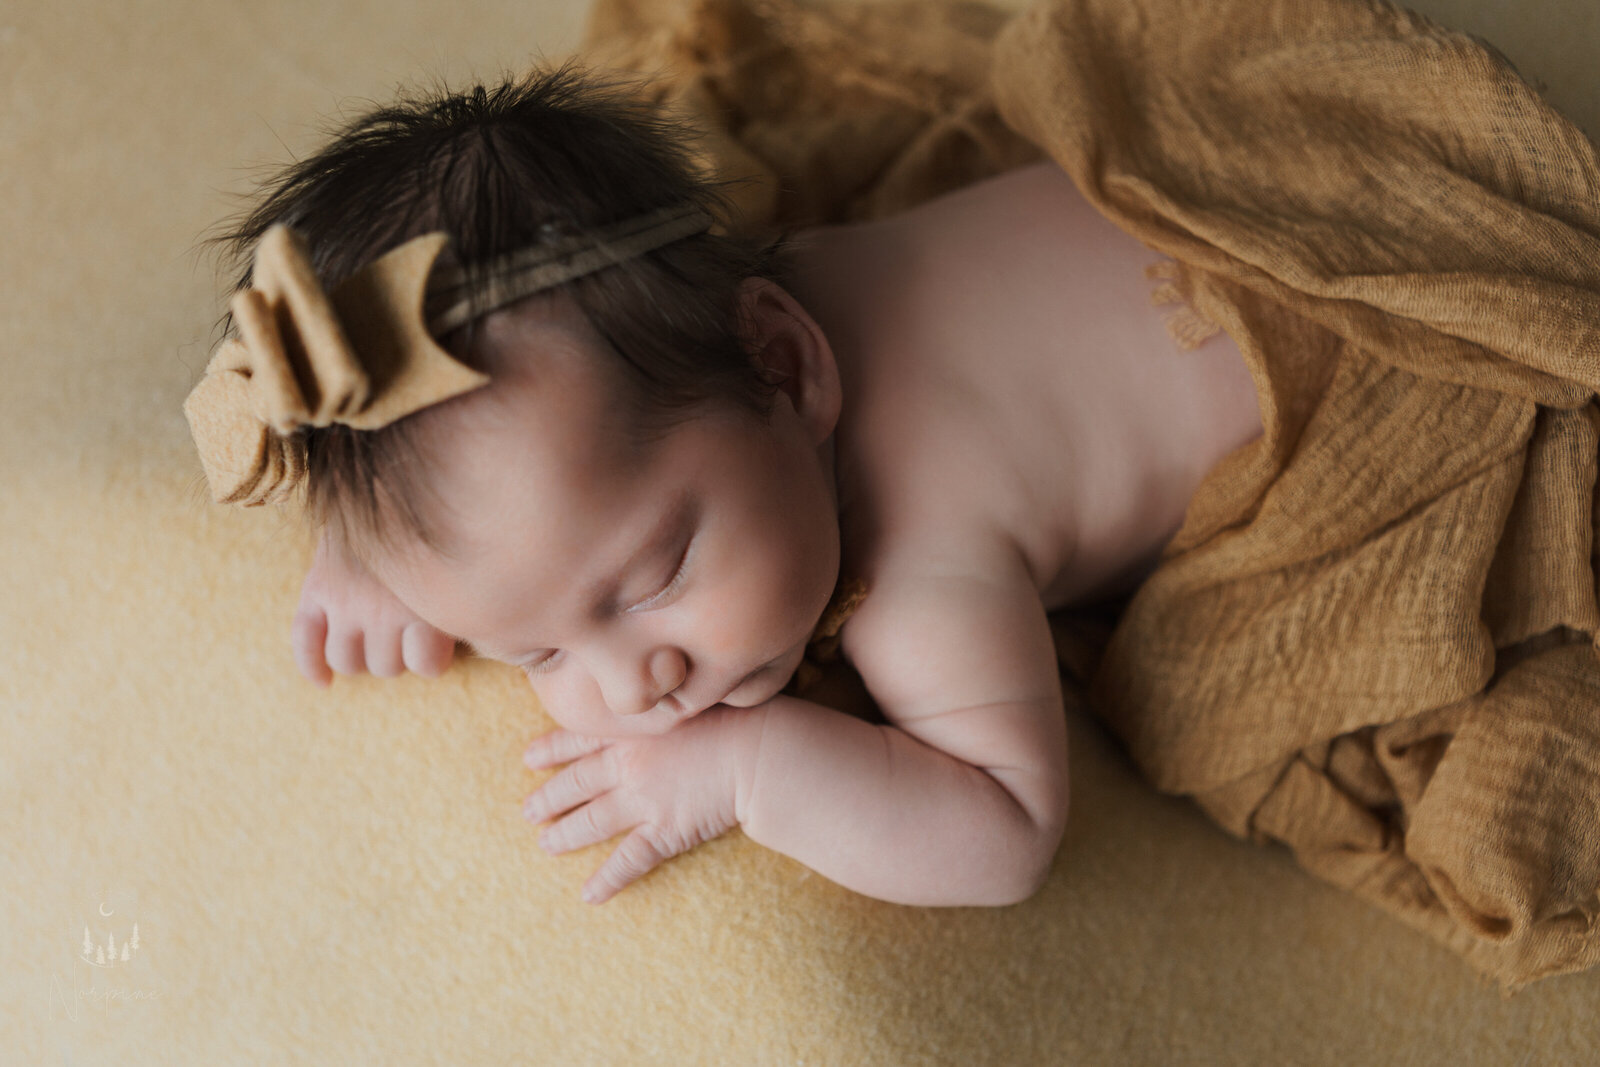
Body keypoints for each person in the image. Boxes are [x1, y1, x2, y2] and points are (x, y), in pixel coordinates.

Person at [192, 63, 1263, 909]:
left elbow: (1007, 833)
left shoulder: (922, 559)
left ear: (787, 365)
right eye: (539, 650)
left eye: (655, 577)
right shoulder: (691, 343)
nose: (631, 687)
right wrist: (381, 543)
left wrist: (750, 771)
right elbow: (492, 488)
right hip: (1198, 171)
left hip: (1299, 341)